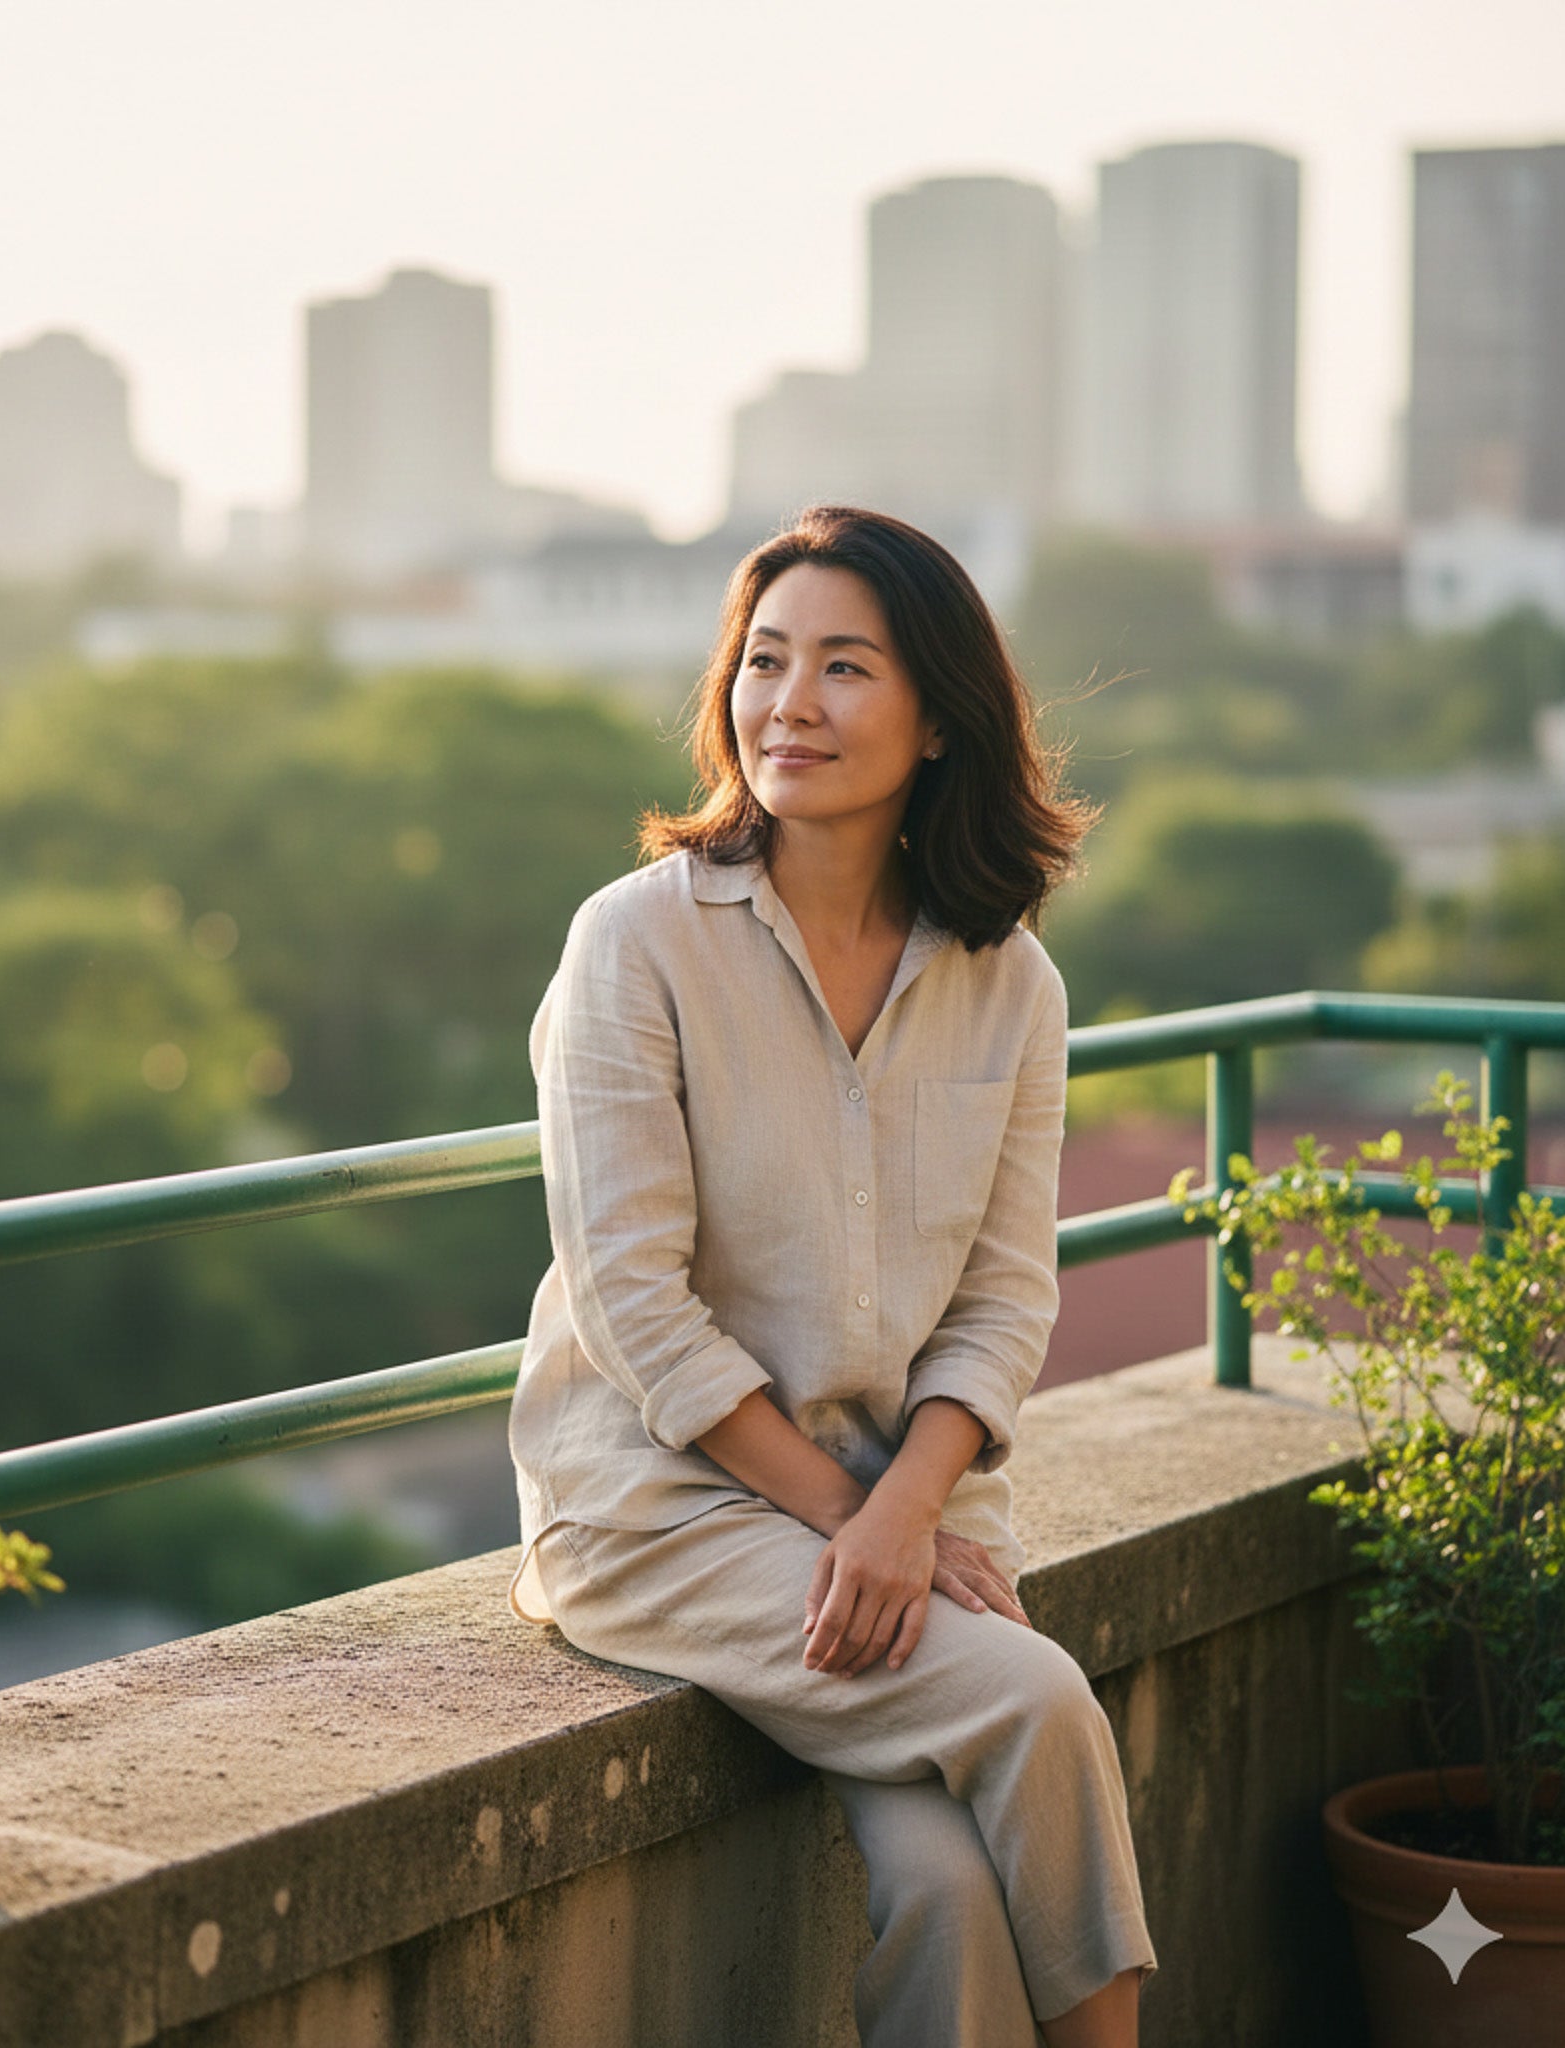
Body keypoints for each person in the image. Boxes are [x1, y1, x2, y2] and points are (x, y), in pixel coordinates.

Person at [505, 505, 1158, 2048]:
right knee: (1043, 1699)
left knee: (946, 1890)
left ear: (938, 718)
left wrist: (909, 1509)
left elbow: (1005, 1299)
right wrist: (863, 1526)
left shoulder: (1012, 981)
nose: (788, 703)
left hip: (898, 1516)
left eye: (845, 667)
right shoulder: (635, 947)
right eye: (764, 660)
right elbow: (636, 1310)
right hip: (663, 1514)